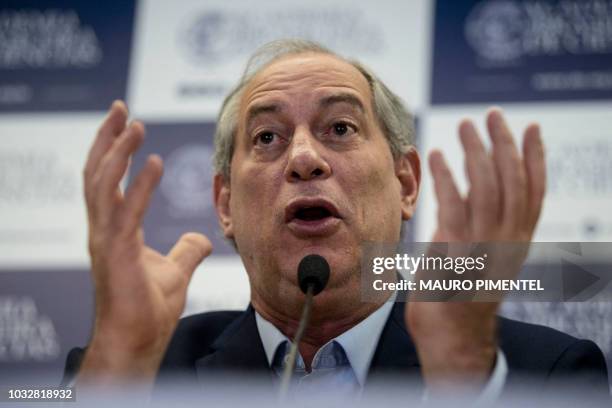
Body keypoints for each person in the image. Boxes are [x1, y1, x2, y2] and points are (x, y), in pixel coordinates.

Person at [63, 39, 609, 402]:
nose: (304, 158)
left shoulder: (548, 374)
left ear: (406, 183)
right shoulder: (123, 371)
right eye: (267, 137)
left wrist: (462, 381)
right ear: (225, 204)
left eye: (340, 128)